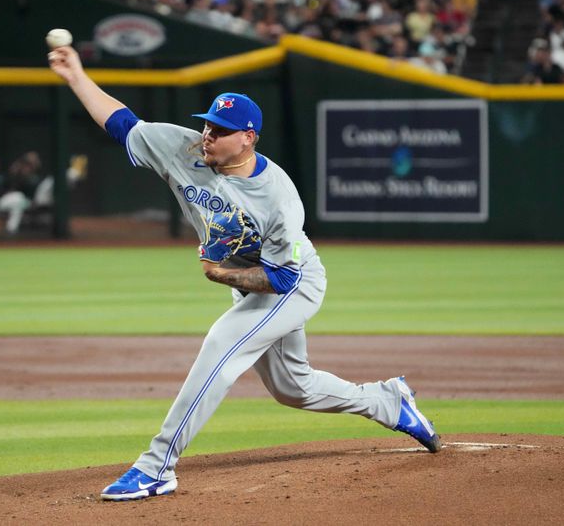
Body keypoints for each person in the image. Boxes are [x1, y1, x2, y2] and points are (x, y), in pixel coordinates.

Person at [48, 42, 442, 502]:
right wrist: (75, 75)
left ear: (249, 137)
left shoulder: (279, 199)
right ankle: (387, 402)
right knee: (294, 389)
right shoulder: (184, 149)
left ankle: (157, 467)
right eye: (209, 124)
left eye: (222, 130)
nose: (208, 135)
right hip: (250, 282)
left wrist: (223, 276)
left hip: (292, 283)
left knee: (221, 346)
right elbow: (123, 124)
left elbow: (281, 279)